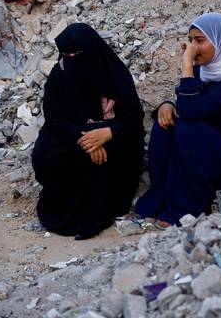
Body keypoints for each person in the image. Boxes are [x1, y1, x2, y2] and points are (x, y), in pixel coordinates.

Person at [133, 12, 221, 227]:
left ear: (220, 43)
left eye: (200, 40)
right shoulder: (203, 72)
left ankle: (186, 210)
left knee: (189, 128)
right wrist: (167, 105)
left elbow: (192, 112)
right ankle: (162, 196)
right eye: (191, 40)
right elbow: (185, 106)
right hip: (204, 156)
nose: (193, 46)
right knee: (165, 124)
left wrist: (186, 65)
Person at [31, 23, 145, 240]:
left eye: (78, 53)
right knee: (45, 150)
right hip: (75, 135)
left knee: (114, 151)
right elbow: (54, 117)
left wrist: (106, 133)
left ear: (91, 51)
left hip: (112, 135)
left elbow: (133, 116)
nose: (72, 58)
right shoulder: (60, 73)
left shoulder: (113, 72)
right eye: (67, 54)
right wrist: (86, 139)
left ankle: (98, 212)